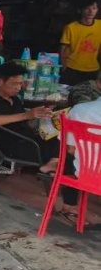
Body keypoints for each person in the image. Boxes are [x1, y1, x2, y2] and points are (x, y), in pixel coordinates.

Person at [0, 62, 58, 173]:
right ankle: (51, 168)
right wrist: (26, 115)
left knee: (60, 138)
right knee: (63, 156)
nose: (19, 88)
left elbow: (25, 124)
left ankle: (51, 167)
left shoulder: (15, 100)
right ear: (0, 82)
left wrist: (42, 117)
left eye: (20, 84)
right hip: (11, 147)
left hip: (28, 140)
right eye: (15, 84)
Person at [56, 97, 101, 227]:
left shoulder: (80, 109)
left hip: (85, 174)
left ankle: (69, 205)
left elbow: (69, 148)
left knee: (70, 155)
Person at [59, 0, 101, 86]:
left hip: (93, 69)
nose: (91, 11)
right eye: (87, 8)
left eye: (94, 8)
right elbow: (63, 49)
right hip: (72, 68)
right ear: (80, 10)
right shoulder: (71, 27)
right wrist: (64, 67)